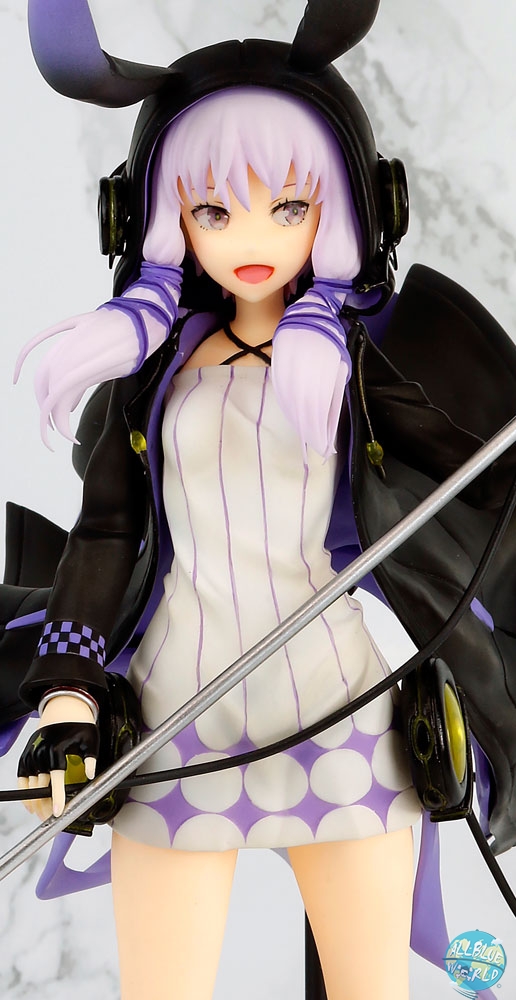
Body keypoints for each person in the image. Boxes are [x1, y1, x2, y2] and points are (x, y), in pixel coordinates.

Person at [5, 2, 516, 999]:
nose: (251, 238)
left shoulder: (353, 366)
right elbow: (104, 534)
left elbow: (481, 469)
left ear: (354, 208)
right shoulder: (150, 380)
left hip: (342, 727)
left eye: (288, 206)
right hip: (173, 728)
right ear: (154, 217)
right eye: (213, 210)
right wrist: (68, 697)